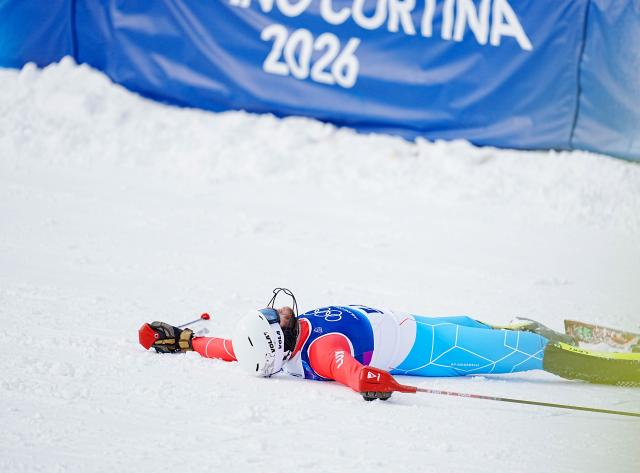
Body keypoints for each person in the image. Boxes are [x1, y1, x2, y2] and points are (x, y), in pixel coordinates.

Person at [138, 288, 640, 400]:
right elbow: (344, 368)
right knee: (518, 351)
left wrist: (185, 340)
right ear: (280, 337)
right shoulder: (319, 349)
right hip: (433, 349)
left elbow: (227, 347)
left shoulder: (268, 346)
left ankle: (530, 328)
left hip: (420, 323)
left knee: (482, 324)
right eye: (278, 315)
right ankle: (618, 371)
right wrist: (369, 382)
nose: (284, 308)